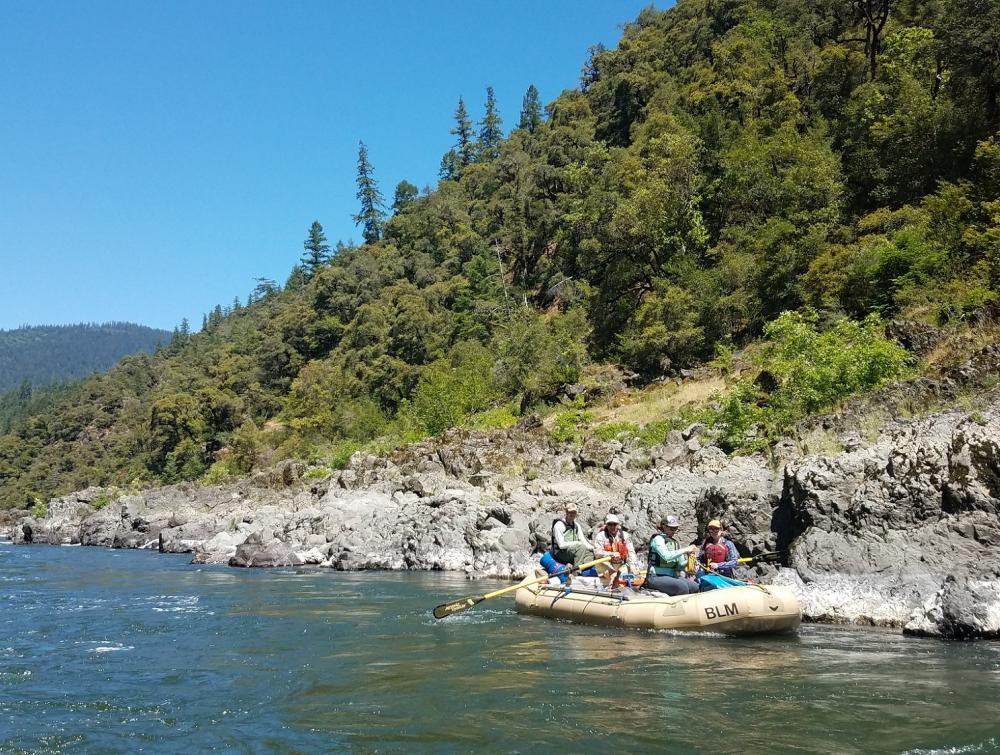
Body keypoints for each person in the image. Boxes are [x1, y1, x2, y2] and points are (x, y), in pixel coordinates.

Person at [645, 515, 699, 596]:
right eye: (671, 528)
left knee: (694, 587)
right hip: (655, 576)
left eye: (675, 528)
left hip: (671, 576)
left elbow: (680, 566)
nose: (673, 531)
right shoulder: (658, 539)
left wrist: (690, 559)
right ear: (664, 527)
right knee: (682, 587)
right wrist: (685, 550)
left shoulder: (675, 543)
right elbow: (666, 556)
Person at [593, 514, 639, 584]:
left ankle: (619, 578)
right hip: (606, 565)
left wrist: (633, 566)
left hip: (620, 564)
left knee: (625, 576)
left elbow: (631, 552)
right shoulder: (601, 536)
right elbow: (596, 553)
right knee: (610, 574)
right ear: (606, 525)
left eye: (614, 524)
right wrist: (611, 554)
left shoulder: (625, 536)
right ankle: (610, 578)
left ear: (618, 525)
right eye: (609, 524)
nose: (612, 527)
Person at [550, 503, 598, 567]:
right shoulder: (559, 525)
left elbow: (583, 540)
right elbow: (561, 545)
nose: (572, 514)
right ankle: (576, 571)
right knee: (581, 547)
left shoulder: (576, 525)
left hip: (572, 551)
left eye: (574, 512)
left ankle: (582, 567)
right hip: (560, 553)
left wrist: (593, 549)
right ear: (566, 512)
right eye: (570, 512)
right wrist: (577, 543)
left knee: (590, 553)